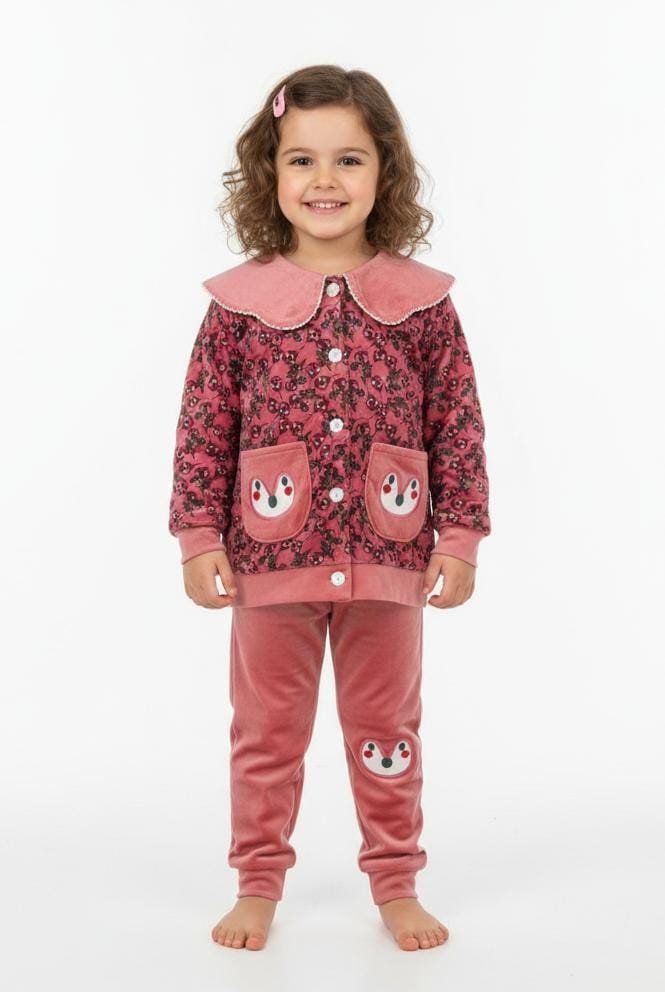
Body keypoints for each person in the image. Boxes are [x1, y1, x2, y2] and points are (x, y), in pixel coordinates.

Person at [167, 65, 491, 952]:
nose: (324, 180)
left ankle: (395, 881)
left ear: (384, 169)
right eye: (300, 159)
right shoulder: (238, 306)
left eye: (348, 159)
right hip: (268, 561)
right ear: (268, 173)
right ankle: (257, 881)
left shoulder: (422, 303)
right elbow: (204, 424)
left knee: (387, 731)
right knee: (265, 734)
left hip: (390, 559)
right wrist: (197, 534)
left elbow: (456, 421)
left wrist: (460, 535)